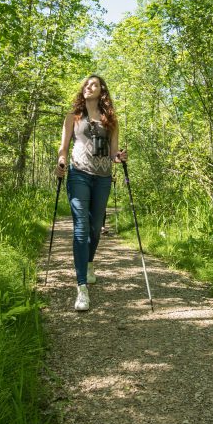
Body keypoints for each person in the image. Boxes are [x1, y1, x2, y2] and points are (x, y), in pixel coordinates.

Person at [56, 75, 127, 311]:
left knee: (96, 227)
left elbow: (113, 153)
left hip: (103, 177)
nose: (89, 87)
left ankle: (88, 263)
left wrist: (119, 157)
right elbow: (63, 148)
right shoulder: (73, 117)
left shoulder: (111, 121)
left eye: (94, 85)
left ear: (102, 90)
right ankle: (82, 288)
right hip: (79, 174)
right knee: (81, 227)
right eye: (87, 84)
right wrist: (61, 162)